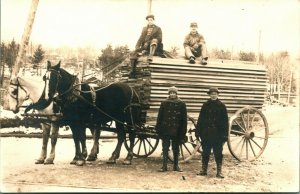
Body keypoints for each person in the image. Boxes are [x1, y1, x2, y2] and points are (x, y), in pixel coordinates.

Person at [195, 87, 228, 178]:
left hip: (218, 135)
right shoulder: (205, 105)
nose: (213, 95)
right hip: (206, 134)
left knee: (218, 153)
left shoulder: (222, 106)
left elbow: (225, 122)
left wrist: (225, 136)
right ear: (209, 95)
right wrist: (198, 133)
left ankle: (219, 172)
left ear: (217, 95)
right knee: (205, 153)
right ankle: (204, 170)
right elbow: (200, 120)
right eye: (212, 94)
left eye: (215, 94)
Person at [156, 86, 187, 172]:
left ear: (176, 94)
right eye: (171, 93)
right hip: (165, 129)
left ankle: (176, 166)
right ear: (169, 94)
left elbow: (184, 120)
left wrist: (183, 132)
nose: (172, 94)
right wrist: (158, 129)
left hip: (176, 130)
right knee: (165, 148)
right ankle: (164, 166)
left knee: (176, 148)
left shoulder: (181, 104)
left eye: (174, 93)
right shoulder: (164, 103)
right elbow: (160, 117)